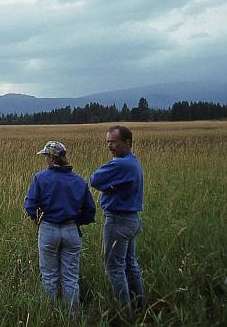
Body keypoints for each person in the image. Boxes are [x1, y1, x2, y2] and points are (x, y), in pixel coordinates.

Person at [25, 140, 96, 313]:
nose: (45, 159)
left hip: (48, 229)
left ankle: (50, 316)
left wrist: (36, 218)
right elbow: (90, 210)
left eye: (45, 156)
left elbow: (29, 205)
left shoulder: (40, 178)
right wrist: (77, 221)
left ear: (50, 157)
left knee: (49, 276)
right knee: (71, 278)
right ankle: (73, 317)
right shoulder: (78, 180)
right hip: (72, 230)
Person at [90, 125, 145, 316]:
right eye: (108, 142)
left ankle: (125, 314)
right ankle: (140, 309)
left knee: (114, 268)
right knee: (130, 265)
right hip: (131, 220)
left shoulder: (121, 164)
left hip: (118, 221)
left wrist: (108, 187)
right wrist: (112, 186)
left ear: (127, 142)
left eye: (113, 142)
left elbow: (95, 179)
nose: (110, 146)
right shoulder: (133, 161)